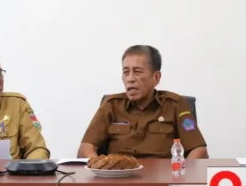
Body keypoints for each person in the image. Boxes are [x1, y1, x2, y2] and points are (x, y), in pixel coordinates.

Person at [78, 45, 208, 159]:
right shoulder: (111, 105)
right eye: (126, 72)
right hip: (119, 176)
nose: (130, 79)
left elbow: (199, 151)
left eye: (137, 72)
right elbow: (85, 149)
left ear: (156, 78)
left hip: (162, 177)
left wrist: (180, 174)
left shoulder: (175, 104)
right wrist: (102, 168)